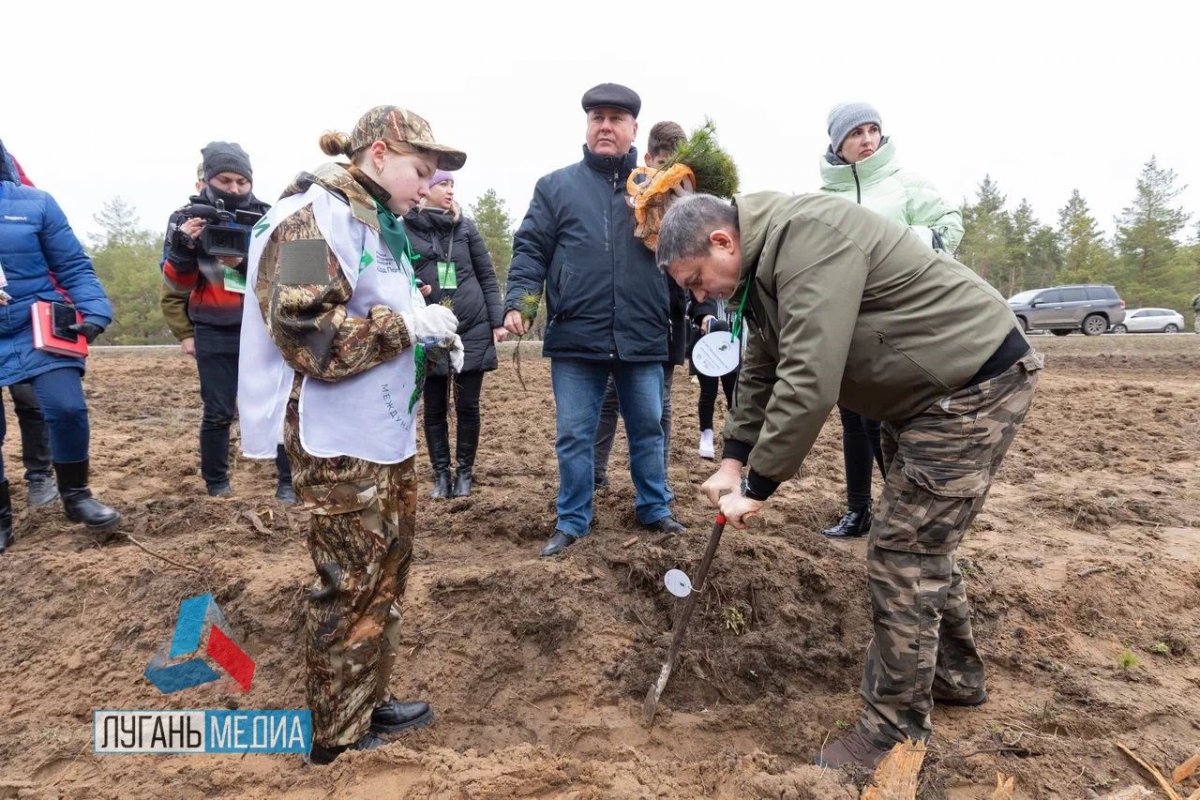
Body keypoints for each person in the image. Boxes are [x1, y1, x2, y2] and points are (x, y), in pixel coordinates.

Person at [656, 192, 1041, 769]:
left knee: (903, 549)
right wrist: (734, 459)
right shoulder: (761, 271)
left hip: (969, 387)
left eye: (695, 279)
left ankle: (891, 734)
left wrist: (760, 484)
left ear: (722, 242)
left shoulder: (808, 238)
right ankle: (954, 676)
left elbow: (810, 375)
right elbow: (763, 367)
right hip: (917, 397)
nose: (697, 294)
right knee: (923, 539)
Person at [237, 105, 466, 764]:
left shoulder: (375, 222)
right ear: (380, 153)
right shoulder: (308, 219)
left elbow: (372, 304)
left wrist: (424, 327)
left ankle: (367, 698)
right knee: (350, 583)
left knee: (385, 576)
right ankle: (337, 733)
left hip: (379, 436)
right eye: (420, 171)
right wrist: (405, 327)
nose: (427, 187)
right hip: (336, 443)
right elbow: (312, 337)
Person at [504, 83, 686, 558]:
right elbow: (530, 250)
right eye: (597, 117)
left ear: (633, 129)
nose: (605, 126)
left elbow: (686, 250)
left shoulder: (656, 188)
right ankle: (572, 519)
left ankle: (654, 507)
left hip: (643, 331)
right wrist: (520, 306)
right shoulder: (556, 187)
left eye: (616, 118)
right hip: (576, 333)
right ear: (587, 126)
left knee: (649, 426)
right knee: (574, 433)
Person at [817, 102, 964, 540]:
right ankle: (858, 510)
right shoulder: (825, 200)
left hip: (901, 322)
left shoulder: (906, 184)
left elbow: (949, 224)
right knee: (852, 421)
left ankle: (903, 513)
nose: (866, 140)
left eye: (872, 130)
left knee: (887, 422)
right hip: (848, 325)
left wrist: (902, 243)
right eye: (855, 133)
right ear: (837, 142)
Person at [0, 138, 121, 553]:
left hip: (40, 322)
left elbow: (71, 264)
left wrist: (92, 310)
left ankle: (76, 496)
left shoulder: (35, 203)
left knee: (66, 407)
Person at [161, 142, 295, 501]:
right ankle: (217, 484)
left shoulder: (270, 215)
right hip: (214, 326)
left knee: (280, 404)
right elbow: (176, 284)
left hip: (265, 328)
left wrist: (245, 260)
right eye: (225, 179)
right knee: (218, 410)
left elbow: (290, 272)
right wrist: (183, 248)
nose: (234, 189)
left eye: (241, 181)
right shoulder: (184, 218)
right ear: (206, 178)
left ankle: (287, 481)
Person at [594, 121, 689, 490]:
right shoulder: (632, 198)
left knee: (660, 402)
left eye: (677, 164)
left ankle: (656, 479)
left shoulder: (690, 199)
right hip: (627, 316)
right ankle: (594, 473)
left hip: (667, 320)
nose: (669, 172)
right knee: (609, 396)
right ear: (648, 158)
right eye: (663, 162)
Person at [405, 170, 506, 499]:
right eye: (442, 184)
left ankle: (464, 473)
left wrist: (497, 321)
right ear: (426, 190)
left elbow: (487, 276)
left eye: (452, 184)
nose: (449, 190)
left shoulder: (466, 227)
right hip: (432, 330)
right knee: (433, 407)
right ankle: (440, 476)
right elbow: (399, 276)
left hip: (472, 326)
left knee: (467, 405)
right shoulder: (404, 227)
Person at [0, 146, 60, 508]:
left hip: (20, 310)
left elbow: (40, 239)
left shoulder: (16, 181)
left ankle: (40, 475)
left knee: (29, 397)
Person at [689, 296, 738, 459]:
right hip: (706, 342)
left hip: (731, 340)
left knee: (733, 391)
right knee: (708, 392)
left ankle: (734, 435)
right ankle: (706, 433)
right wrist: (704, 316)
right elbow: (694, 301)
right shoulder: (705, 284)